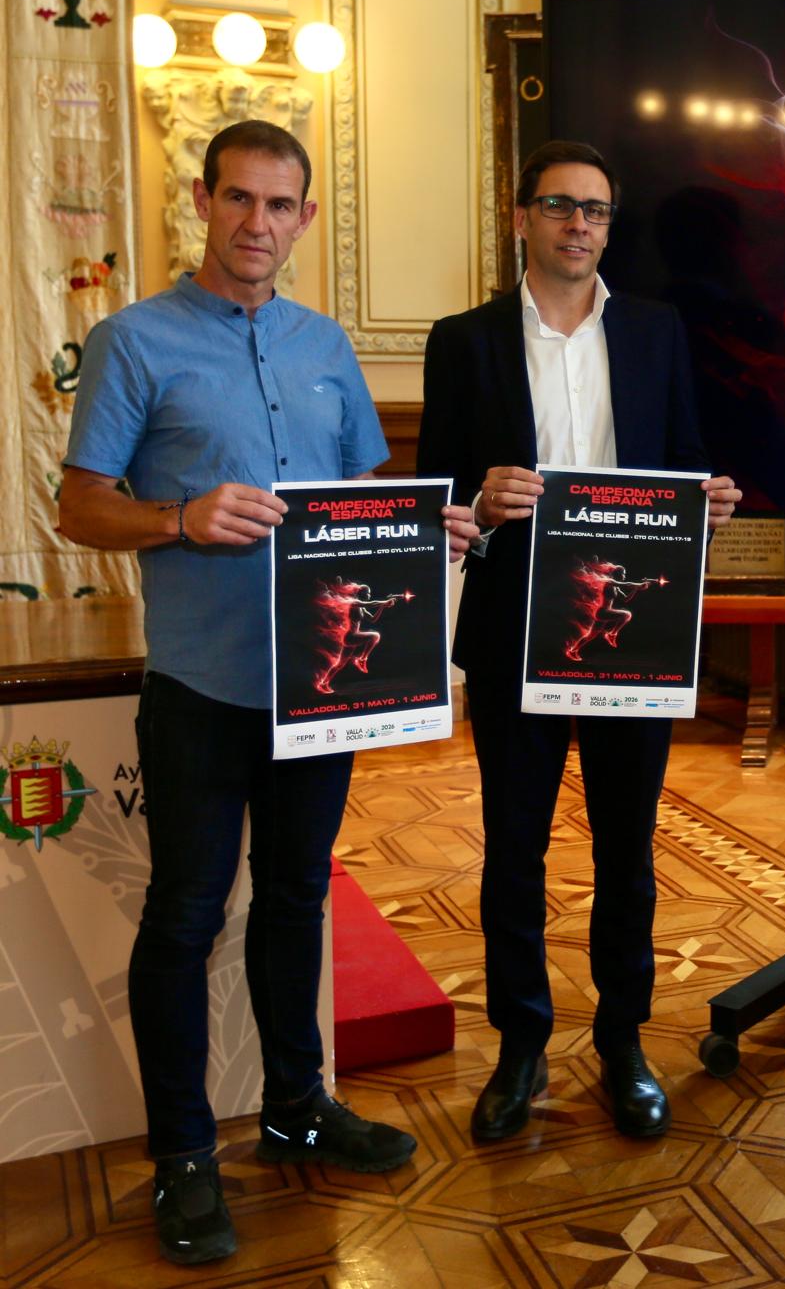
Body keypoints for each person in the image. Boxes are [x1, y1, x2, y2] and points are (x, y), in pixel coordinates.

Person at [58, 120, 478, 1266]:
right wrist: (179, 517)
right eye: (238, 198)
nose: (257, 222)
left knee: (297, 898)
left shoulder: (324, 344)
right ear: (204, 201)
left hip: (322, 687)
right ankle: (185, 1156)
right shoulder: (133, 341)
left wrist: (426, 526)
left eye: (279, 204)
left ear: (304, 218)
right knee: (185, 917)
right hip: (201, 685)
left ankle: (298, 1105)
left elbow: (364, 498)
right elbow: (80, 506)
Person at [416, 140, 741, 1144]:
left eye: (595, 210)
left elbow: (684, 458)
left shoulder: (654, 329)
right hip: (512, 630)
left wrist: (709, 503)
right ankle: (520, 1046)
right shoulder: (463, 340)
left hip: (630, 633)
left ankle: (622, 1041)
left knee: (626, 850)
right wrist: (478, 503)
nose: (578, 225)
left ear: (609, 226)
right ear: (521, 218)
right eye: (559, 206)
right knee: (513, 849)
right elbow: (439, 493)